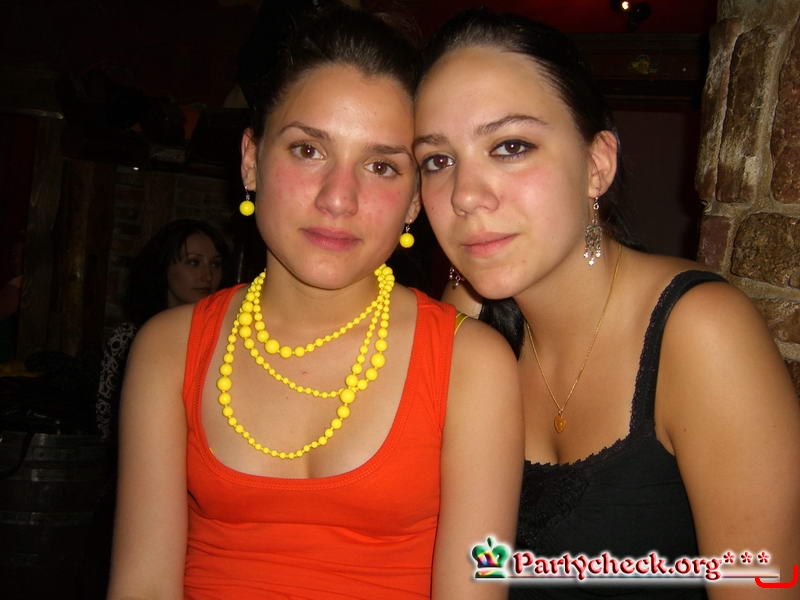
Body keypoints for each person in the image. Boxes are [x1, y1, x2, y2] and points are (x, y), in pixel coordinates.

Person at [107, 5, 523, 599]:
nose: (339, 198)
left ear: (413, 201)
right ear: (251, 160)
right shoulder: (168, 348)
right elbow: (143, 584)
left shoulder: (473, 364)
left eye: (381, 166)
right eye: (308, 150)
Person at [413, 9, 800, 599]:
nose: (465, 195)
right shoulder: (469, 314)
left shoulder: (700, 332)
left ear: (597, 165)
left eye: (510, 146)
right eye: (438, 161)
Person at [96, 218, 232, 440]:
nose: (207, 276)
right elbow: (108, 420)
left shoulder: (227, 335)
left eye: (215, 264)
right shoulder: (131, 336)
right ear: (164, 267)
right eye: (194, 263)